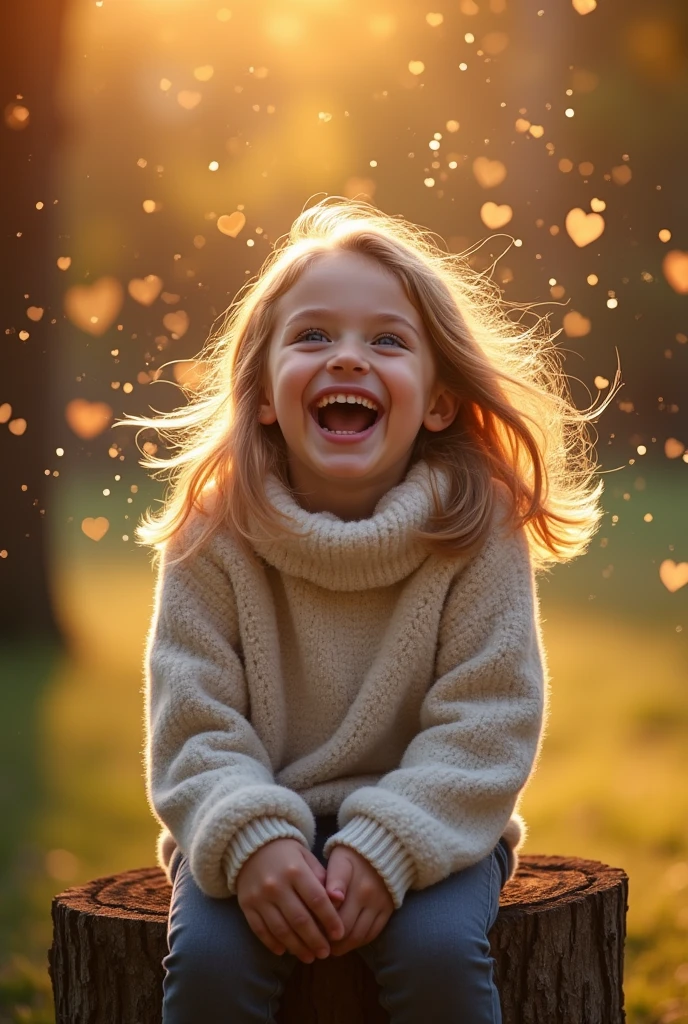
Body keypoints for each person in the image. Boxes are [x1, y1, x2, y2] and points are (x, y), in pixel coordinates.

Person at [120, 196, 619, 1023]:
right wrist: (254, 841)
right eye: (313, 336)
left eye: (387, 340)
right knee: (209, 965)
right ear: (267, 393)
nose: (348, 358)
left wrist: (386, 845)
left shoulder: (476, 529)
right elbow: (193, 723)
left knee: (434, 958)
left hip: (433, 826)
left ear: (438, 400)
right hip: (249, 826)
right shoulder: (213, 534)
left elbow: (487, 719)